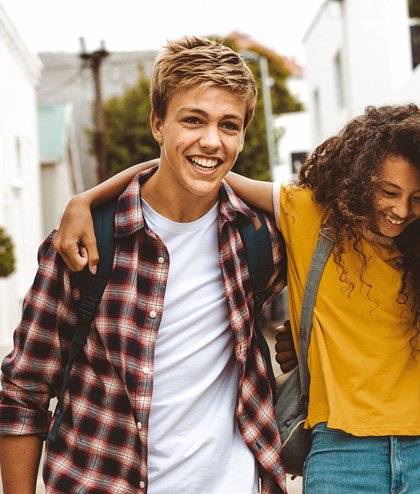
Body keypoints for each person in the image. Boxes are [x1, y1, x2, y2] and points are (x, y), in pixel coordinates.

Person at [52, 102, 420, 491]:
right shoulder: (309, 215)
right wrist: (86, 197)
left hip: (419, 451)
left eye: (417, 200)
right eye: (387, 192)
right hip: (339, 455)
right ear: (359, 178)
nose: (399, 211)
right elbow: (201, 174)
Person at [0, 37, 287, 493]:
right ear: (158, 123)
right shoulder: (87, 243)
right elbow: (23, 393)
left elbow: (354, 236)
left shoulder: (259, 240)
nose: (211, 140)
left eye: (228, 125)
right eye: (193, 119)